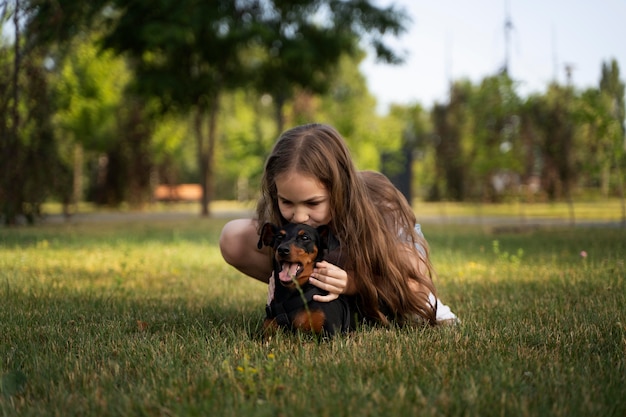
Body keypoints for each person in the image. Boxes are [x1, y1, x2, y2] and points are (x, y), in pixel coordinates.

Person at [219, 123, 458, 327]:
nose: (299, 216)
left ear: (340, 189)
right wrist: (282, 277)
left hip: (378, 272)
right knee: (233, 236)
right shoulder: (285, 218)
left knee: (409, 285)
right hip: (321, 266)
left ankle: (365, 303)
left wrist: (353, 282)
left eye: (313, 202)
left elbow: (413, 276)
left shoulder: (380, 203)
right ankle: (308, 296)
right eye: (287, 202)